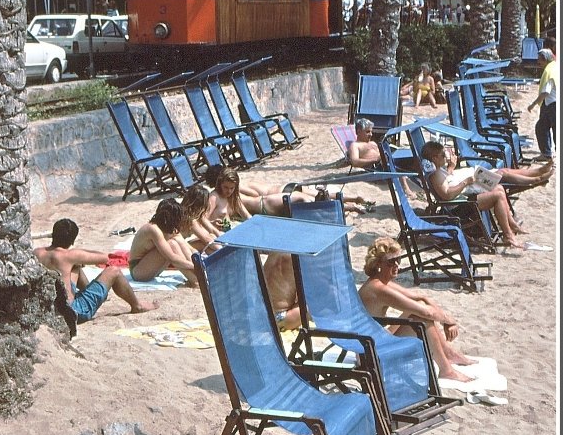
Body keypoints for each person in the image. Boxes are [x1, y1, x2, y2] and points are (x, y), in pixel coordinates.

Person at [357, 237, 476, 382]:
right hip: (369, 352)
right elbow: (426, 312)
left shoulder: (381, 282)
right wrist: (449, 320)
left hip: (374, 339)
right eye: (391, 262)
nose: (396, 266)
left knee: (420, 310)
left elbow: (422, 299)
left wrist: (447, 321)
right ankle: (446, 370)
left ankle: (448, 353)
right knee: (421, 319)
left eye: (398, 260)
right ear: (378, 264)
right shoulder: (378, 289)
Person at [34, 219, 158, 327]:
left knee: (75, 267)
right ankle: (137, 305)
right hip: (73, 311)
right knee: (114, 271)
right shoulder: (69, 255)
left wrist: (76, 258)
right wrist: (77, 253)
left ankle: (91, 293)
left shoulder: (38, 252)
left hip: (51, 306)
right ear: (71, 241)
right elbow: (104, 258)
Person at [421, 140, 530, 249]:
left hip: (462, 200)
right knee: (498, 195)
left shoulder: (438, 170)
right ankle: (508, 235)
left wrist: (451, 167)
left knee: (499, 188)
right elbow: (447, 195)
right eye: (443, 155)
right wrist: (465, 182)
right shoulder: (435, 175)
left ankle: (511, 225)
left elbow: (446, 182)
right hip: (459, 207)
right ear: (435, 158)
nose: (447, 157)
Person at [204, 164, 374, 217]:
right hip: (280, 190)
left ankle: (350, 206)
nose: (227, 190)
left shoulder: (235, 192)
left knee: (313, 201)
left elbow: (253, 199)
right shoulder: (235, 188)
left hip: (270, 201)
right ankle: (351, 200)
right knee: (315, 197)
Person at [128, 199, 199, 286]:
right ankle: (194, 280)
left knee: (176, 240)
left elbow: (187, 246)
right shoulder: (153, 229)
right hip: (138, 271)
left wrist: (198, 261)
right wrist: (194, 266)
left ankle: (197, 276)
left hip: (150, 268)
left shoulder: (168, 228)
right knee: (171, 244)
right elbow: (172, 258)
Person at [528, 48, 557, 162]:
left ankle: (547, 154)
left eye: (539, 60)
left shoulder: (549, 71)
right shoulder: (554, 66)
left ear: (545, 59)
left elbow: (546, 92)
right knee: (541, 127)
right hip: (550, 103)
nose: (538, 63)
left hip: (552, 105)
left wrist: (533, 104)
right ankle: (546, 154)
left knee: (554, 131)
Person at [262, 251, 303, 332]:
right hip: (279, 318)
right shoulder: (301, 257)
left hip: (257, 310)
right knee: (311, 305)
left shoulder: (276, 247)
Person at [179, 185, 222, 253]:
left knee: (212, 236)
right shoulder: (190, 219)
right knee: (204, 244)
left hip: (182, 243)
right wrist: (223, 250)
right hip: (178, 247)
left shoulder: (196, 214)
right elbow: (207, 240)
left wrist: (225, 241)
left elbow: (213, 231)